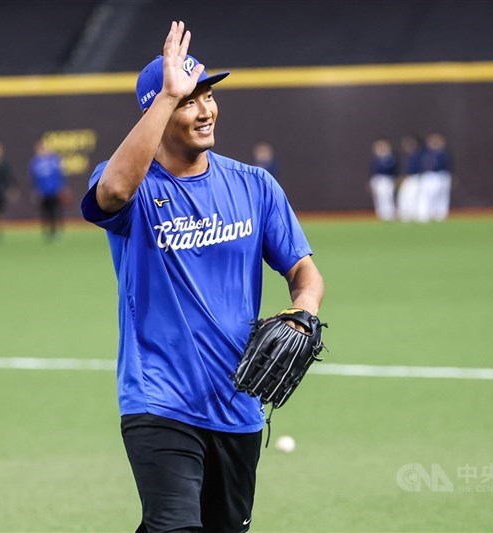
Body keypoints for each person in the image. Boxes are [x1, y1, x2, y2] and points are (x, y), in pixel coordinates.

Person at [80, 21, 324, 532]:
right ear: (159, 110)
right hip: (159, 398)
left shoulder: (254, 186)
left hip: (238, 403)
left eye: (208, 96)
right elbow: (113, 194)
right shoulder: (134, 186)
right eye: (190, 101)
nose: (206, 110)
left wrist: (303, 310)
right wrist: (169, 94)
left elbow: (304, 270)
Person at [29, 140, 67, 241]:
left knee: (56, 211)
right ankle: (47, 232)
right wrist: (35, 191)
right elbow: (33, 179)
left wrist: (61, 187)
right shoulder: (35, 163)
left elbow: (59, 175)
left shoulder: (53, 160)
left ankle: (57, 231)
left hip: (54, 191)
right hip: (43, 192)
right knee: (45, 213)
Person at [420, 133, 452, 222]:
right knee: (429, 195)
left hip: (442, 175)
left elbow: (448, 166)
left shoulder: (444, 153)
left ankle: (441, 215)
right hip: (431, 176)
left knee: (442, 196)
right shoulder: (426, 153)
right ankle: (427, 213)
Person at [367, 139, 398, 221]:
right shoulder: (376, 159)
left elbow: (391, 170)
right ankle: (381, 214)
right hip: (377, 180)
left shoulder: (390, 158)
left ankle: (390, 214)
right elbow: (372, 171)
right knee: (379, 198)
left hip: (386, 179)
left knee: (387, 197)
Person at [396, 136, 424, 223]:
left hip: (415, 178)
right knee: (404, 197)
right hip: (408, 179)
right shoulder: (407, 156)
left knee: (414, 197)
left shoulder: (418, 155)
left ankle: (416, 215)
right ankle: (406, 215)